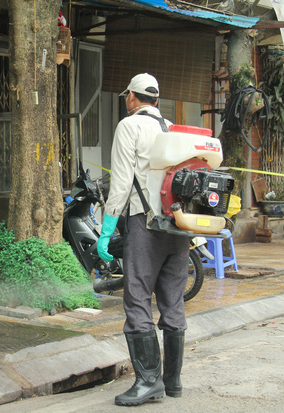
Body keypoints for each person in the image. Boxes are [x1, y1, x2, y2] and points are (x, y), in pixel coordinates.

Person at [97, 73, 188, 406]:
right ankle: (173, 382)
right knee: (172, 301)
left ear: (131, 98)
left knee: (136, 299)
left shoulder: (129, 126)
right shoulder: (170, 128)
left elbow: (121, 183)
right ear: (158, 101)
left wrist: (107, 229)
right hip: (178, 227)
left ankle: (149, 381)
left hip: (145, 224)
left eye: (127, 97)